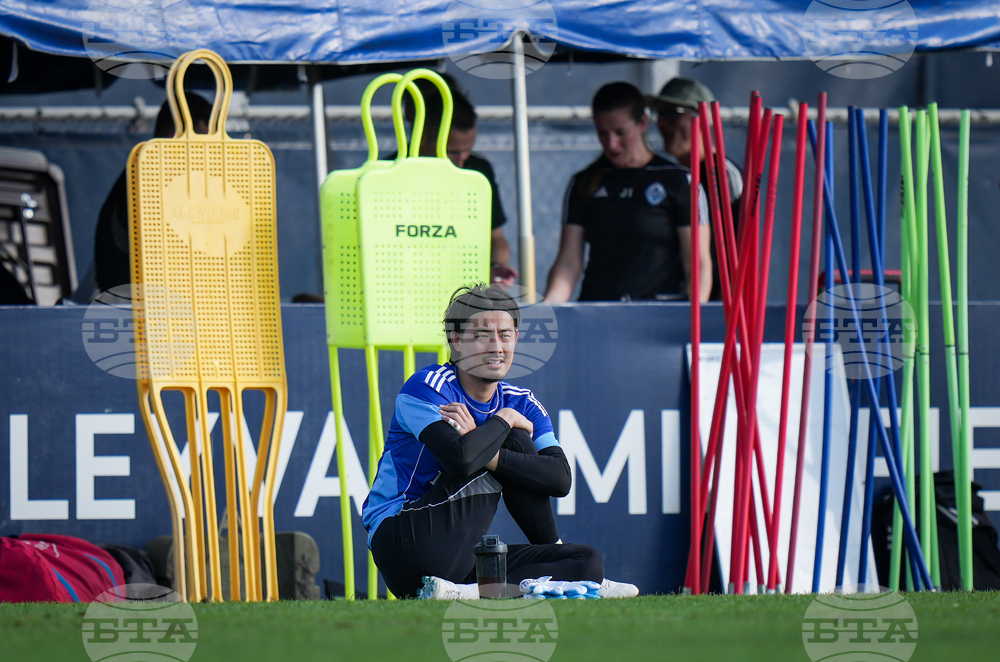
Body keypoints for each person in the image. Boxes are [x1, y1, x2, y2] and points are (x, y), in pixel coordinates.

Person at [362, 284, 638, 599]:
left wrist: (488, 447)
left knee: (586, 561)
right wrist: (503, 420)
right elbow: (460, 460)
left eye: (505, 335)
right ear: (456, 339)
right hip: (403, 541)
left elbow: (560, 479)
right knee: (513, 440)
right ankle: (542, 575)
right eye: (482, 335)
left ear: (515, 339)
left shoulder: (522, 401)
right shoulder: (429, 386)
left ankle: (483, 588)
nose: (496, 346)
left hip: (458, 560)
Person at [544, 82, 712, 303]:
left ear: (642, 123)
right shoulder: (584, 182)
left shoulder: (679, 181)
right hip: (598, 308)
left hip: (659, 310)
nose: (612, 144)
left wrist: (694, 314)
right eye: (603, 134)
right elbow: (568, 262)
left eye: (621, 133)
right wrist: (550, 306)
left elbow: (698, 263)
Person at [402, 74, 517, 286]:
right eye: (452, 152)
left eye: (468, 150)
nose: (463, 160)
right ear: (424, 137)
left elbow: (496, 238)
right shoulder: (390, 172)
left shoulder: (478, 170)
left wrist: (496, 266)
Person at [93, 93, 213, 294]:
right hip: (137, 306)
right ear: (175, 136)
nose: (210, 156)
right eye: (202, 145)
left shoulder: (149, 174)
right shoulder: (149, 178)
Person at [647, 77, 744, 302]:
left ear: (703, 118)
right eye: (659, 115)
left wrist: (722, 307)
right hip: (676, 299)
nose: (662, 124)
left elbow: (737, 252)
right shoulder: (671, 176)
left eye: (673, 114)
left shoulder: (723, 175)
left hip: (715, 305)